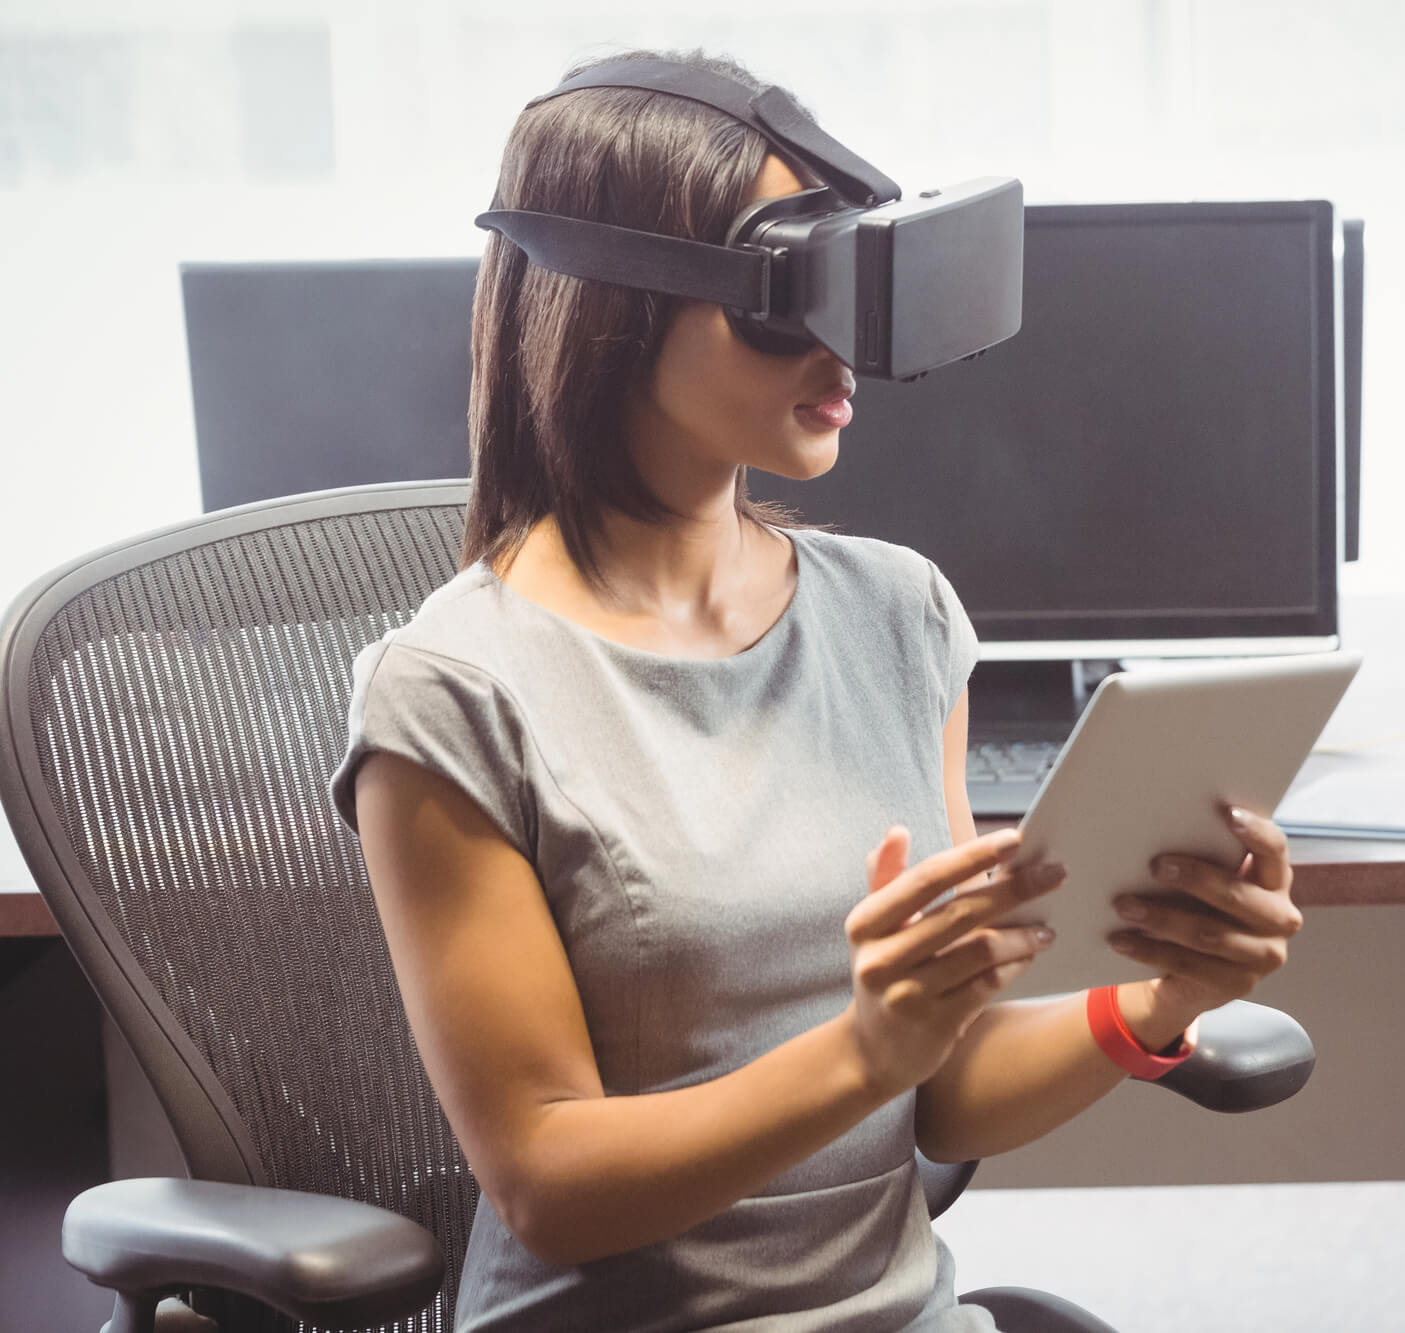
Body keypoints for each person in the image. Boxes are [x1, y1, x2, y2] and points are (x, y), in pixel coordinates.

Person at [328, 47, 1304, 1332]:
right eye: (788, 297)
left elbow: (946, 1091)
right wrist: (863, 1051)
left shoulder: (898, 615)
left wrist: (1158, 1002)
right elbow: (548, 1185)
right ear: (615, 304)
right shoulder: (452, 694)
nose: (842, 350)